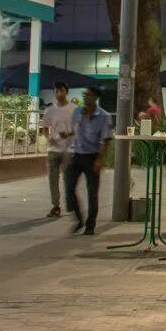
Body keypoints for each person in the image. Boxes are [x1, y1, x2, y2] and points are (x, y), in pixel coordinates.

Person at [66, 87, 114, 235]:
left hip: (92, 156)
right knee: (69, 188)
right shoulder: (77, 112)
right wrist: (66, 135)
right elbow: (74, 130)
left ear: (96, 97)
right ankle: (79, 219)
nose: (86, 98)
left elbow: (105, 139)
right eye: (84, 95)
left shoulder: (104, 116)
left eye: (89, 95)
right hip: (77, 154)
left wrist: (100, 159)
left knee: (92, 192)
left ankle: (90, 225)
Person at [42, 82, 78, 217]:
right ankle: (55, 205)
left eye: (62, 91)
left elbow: (79, 128)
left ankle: (71, 204)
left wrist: (69, 134)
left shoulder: (74, 109)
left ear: (66, 92)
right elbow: (45, 128)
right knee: (53, 179)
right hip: (53, 149)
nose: (59, 94)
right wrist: (49, 137)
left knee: (69, 179)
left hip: (69, 149)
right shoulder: (49, 110)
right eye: (57, 91)